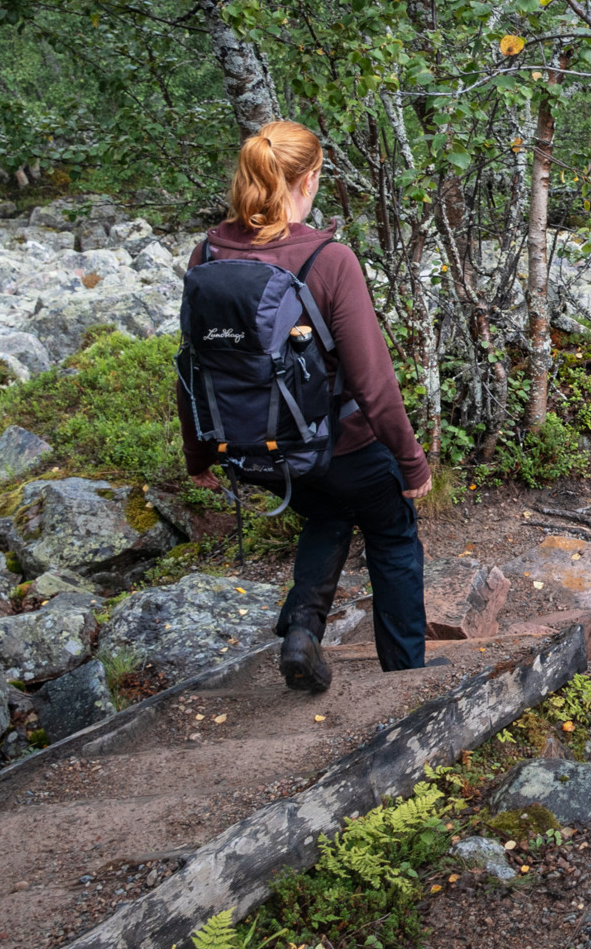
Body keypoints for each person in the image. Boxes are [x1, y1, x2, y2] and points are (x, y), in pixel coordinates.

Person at [178, 121, 432, 690]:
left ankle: (301, 631)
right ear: (310, 178)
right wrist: (411, 462)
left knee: (328, 510)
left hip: (253, 450)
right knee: (392, 530)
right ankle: (407, 679)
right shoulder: (328, 258)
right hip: (335, 445)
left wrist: (198, 458)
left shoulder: (207, 253)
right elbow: (374, 382)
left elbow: (192, 368)